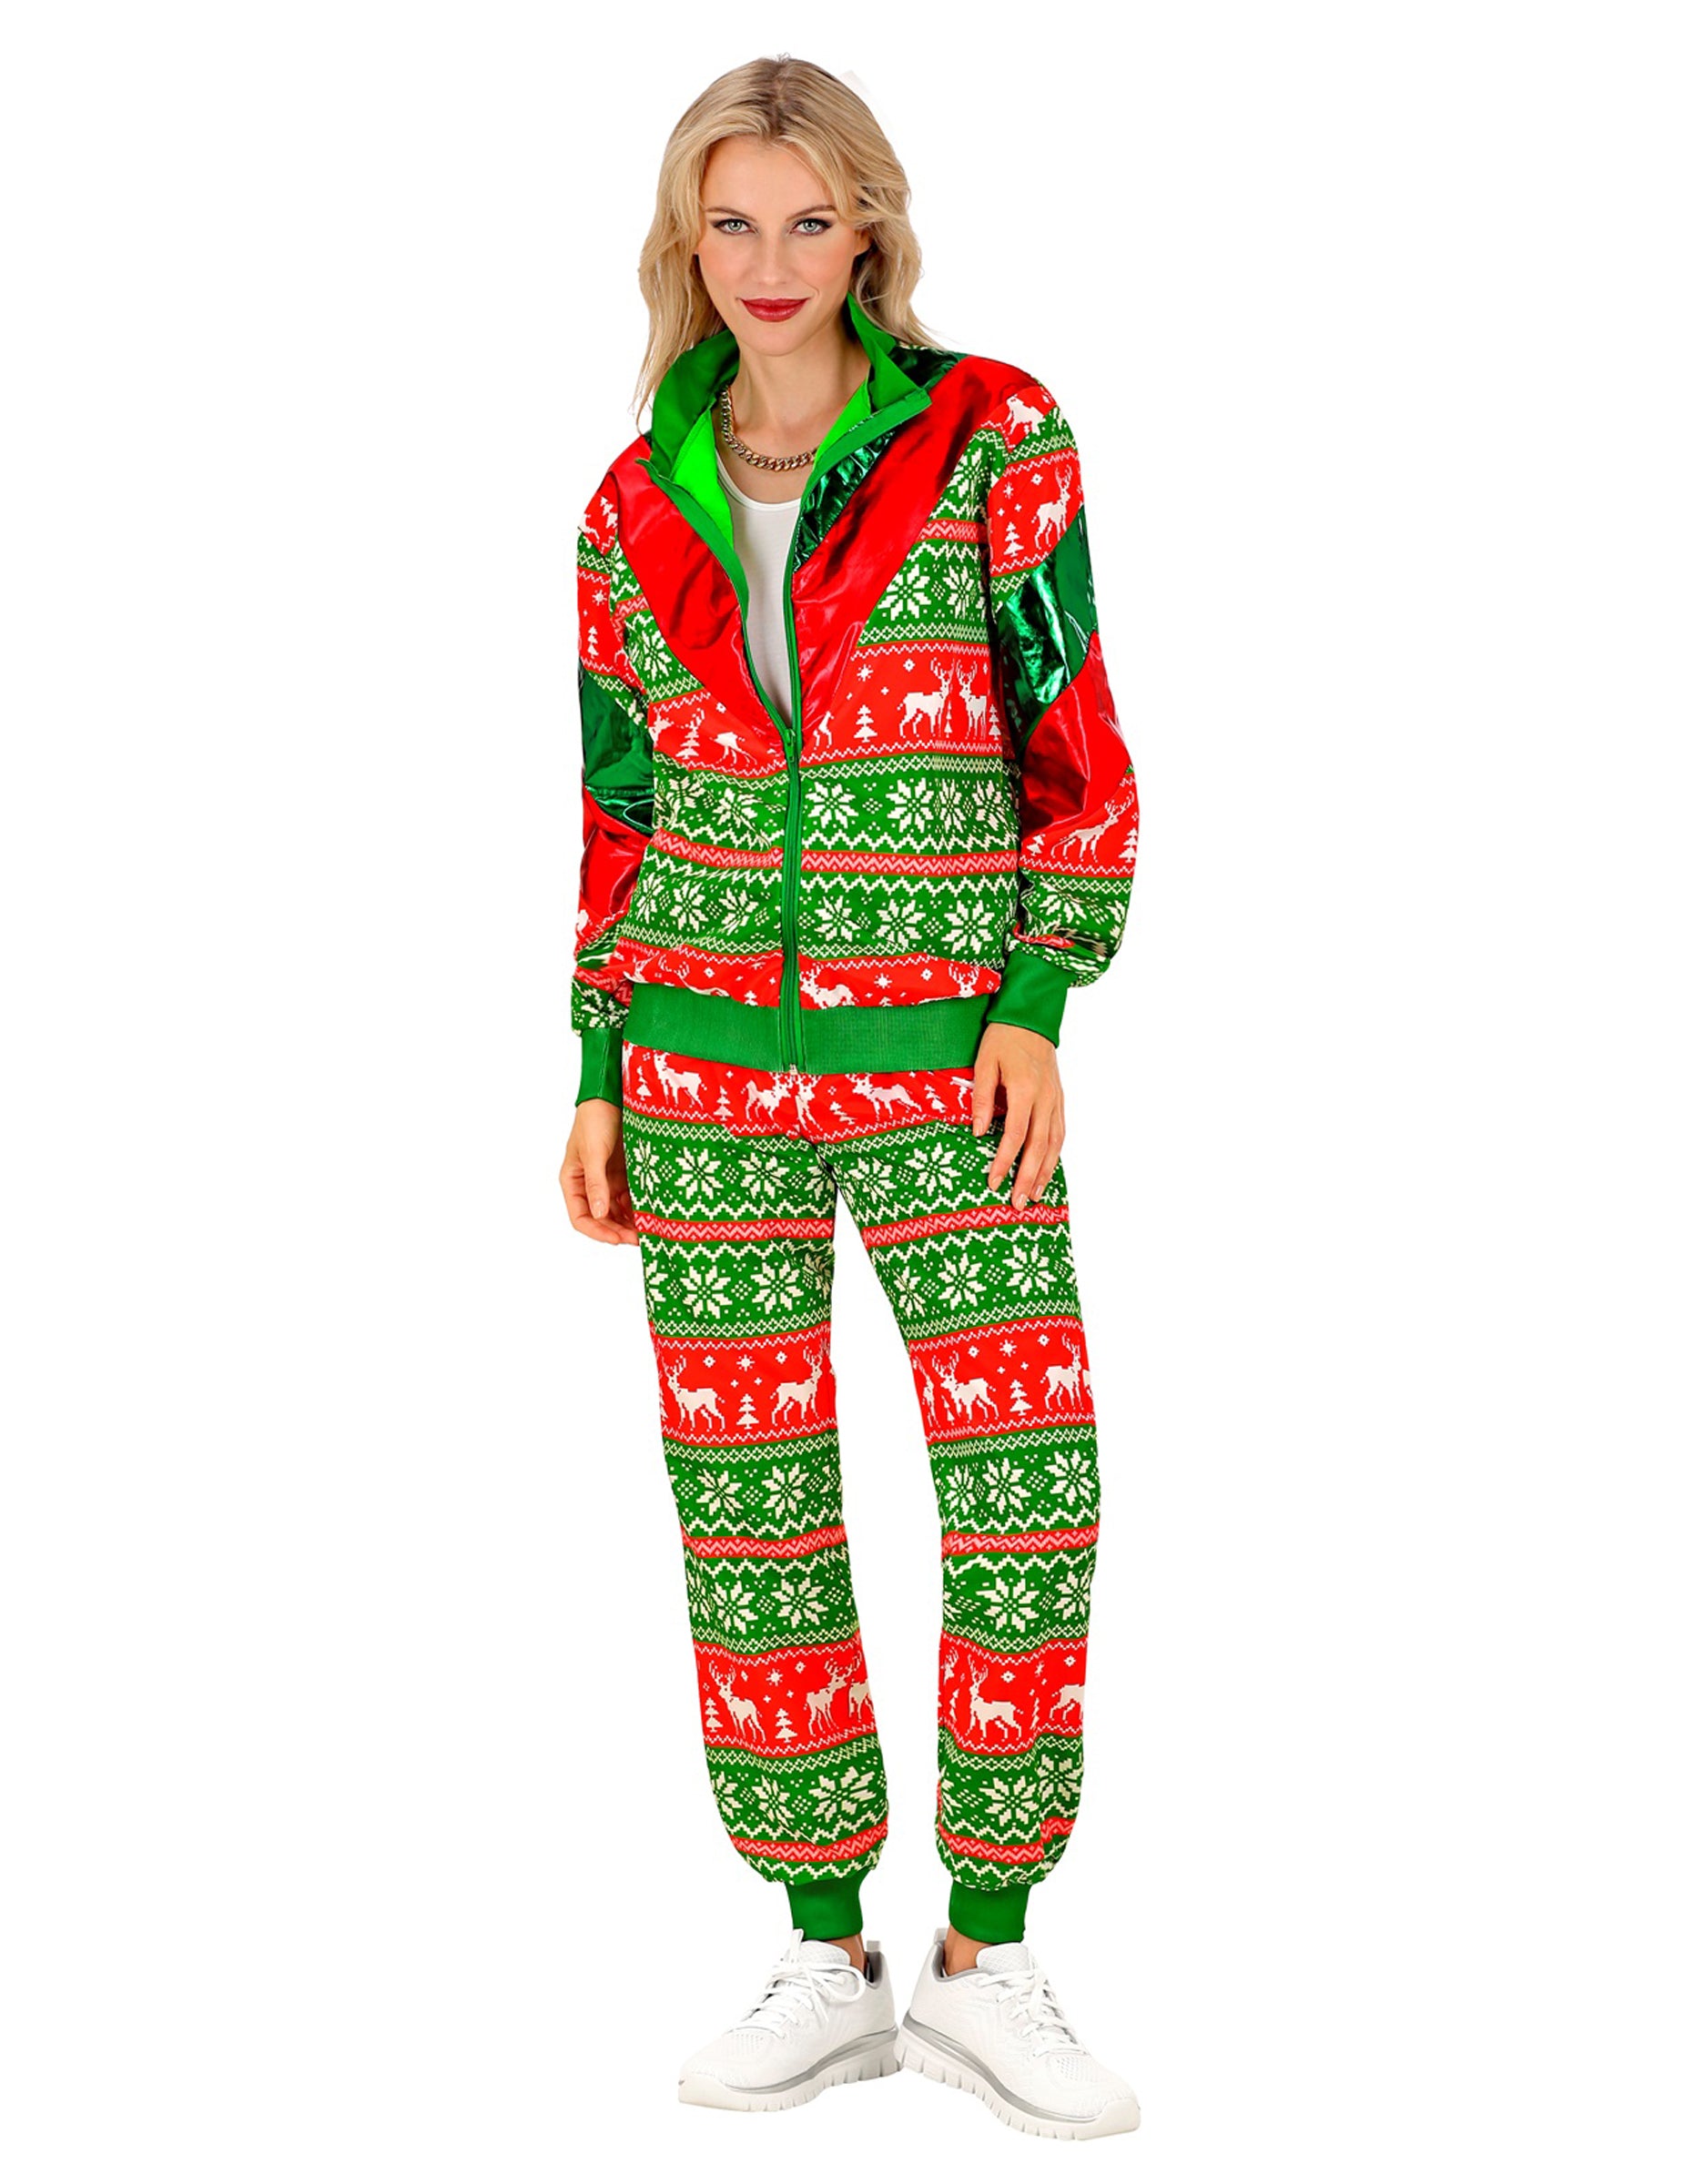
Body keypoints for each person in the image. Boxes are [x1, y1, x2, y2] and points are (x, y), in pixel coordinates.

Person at [558, 56, 1141, 2140]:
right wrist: (600, 1063)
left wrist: (1033, 1003)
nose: (771, 261)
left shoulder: (993, 437)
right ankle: (828, 1948)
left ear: (869, 229)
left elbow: (1071, 739)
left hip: (943, 1073)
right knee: (751, 1511)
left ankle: (985, 1953)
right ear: (684, 241)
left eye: (810, 220)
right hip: (700, 1073)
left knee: (1027, 1490)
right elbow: (623, 806)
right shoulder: (631, 503)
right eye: (732, 222)